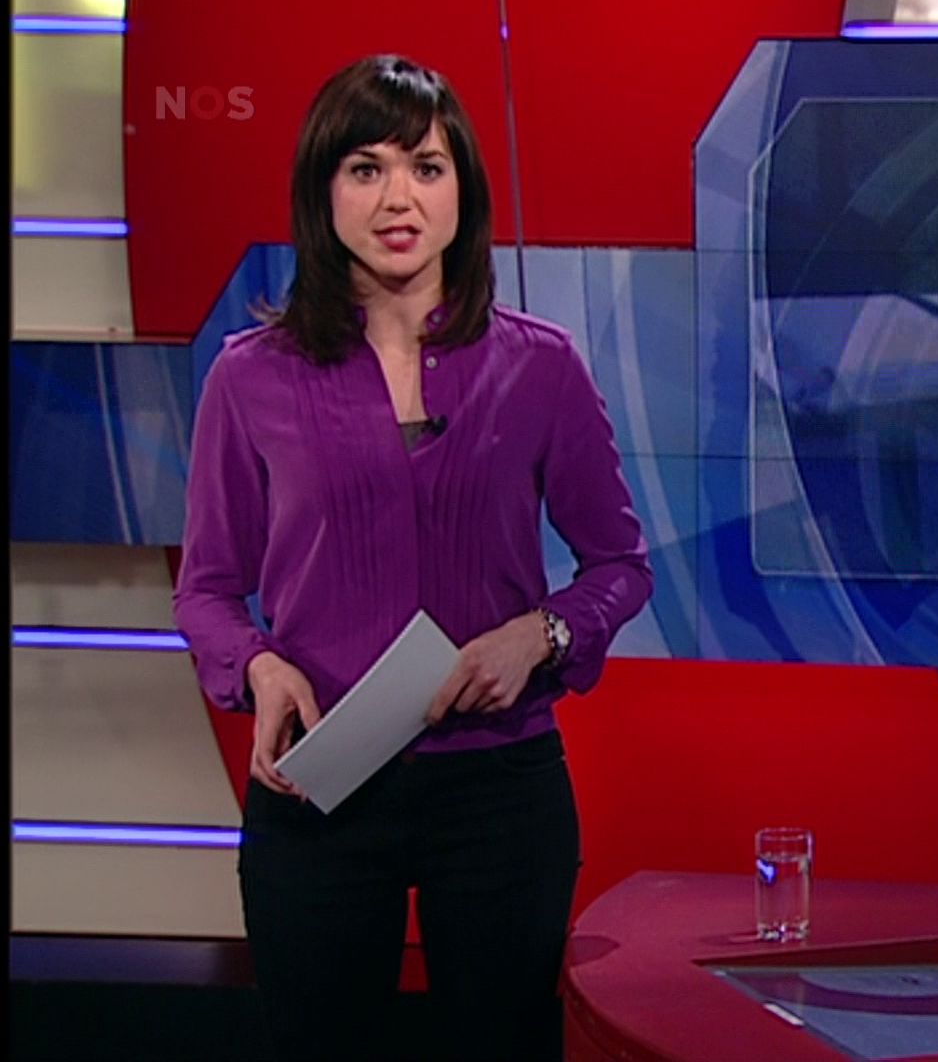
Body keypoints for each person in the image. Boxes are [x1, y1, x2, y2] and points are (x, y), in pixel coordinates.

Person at [172, 54, 652, 1062]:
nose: (399, 198)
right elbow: (208, 588)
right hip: (321, 785)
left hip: (500, 789)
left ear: (462, 189)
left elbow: (619, 564)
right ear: (323, 191)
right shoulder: (248, 379)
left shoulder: (541, 367)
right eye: (367, 168)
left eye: (426, 167)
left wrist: (541, 634)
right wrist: (257, 667)